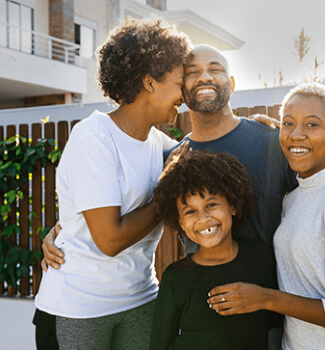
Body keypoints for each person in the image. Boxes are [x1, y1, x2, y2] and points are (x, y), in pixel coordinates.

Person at [42, 44, 325, 348]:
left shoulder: (273, 143)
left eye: (215, 69)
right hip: (209, 306)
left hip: (281, 311)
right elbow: (109, 199)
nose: (204, 76)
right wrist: (64, 231)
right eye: (192, 71)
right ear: (181, 90)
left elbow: (316, 208)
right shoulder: (172, 158)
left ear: (231, 83)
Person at [32, 17, 192, 350]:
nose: (185, 97)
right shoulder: (94, 136)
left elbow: (206, 144)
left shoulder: (160, 145)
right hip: (79, 309)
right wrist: (166, 191)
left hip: (139, 300)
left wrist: (262, 126)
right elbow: (109, 239)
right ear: (149, 81)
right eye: (180, 84)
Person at [207, 82, 325, 349]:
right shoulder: (294, 197)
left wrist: (266, 299)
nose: (297, 134)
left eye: (312, 125)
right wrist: (255, 127)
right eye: (289, 124)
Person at [149, 150, 280, 349]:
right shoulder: (176, 278)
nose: (203, 219)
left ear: (233, 206)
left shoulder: (261, 257)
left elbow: (276, 324)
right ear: (181, 223)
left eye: (211, 205)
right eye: (190, 211)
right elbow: (160, 344)